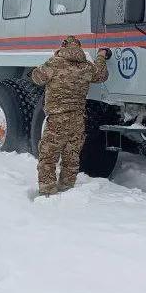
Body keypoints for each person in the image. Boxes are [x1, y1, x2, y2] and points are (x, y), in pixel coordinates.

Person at [31, 36, 110, 196]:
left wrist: (52, 58)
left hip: (57, 120)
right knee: (71, 158)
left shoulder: (54, 63)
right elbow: (102, 75)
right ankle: (67, 190)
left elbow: (36, 77)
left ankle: (47, 192)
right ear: (80, 49)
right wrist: (101, 56)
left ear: (63, 46)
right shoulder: (87, 67)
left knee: (48, 157)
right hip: (78, 120)